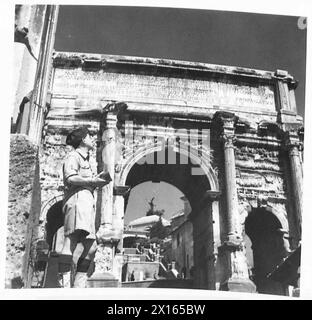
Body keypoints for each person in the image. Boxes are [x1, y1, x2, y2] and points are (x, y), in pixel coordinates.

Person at [58, 127, 110, 288]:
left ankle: (78, 283)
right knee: (70, 241)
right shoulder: (73, 156)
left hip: (87, 201)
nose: (92, 139)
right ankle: (64, 284)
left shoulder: (86, 159)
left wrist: (95, 180)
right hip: (77, 200)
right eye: (89, 136)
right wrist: (92, 181)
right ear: (82, 140)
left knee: (92, 247)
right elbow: (71, 178)